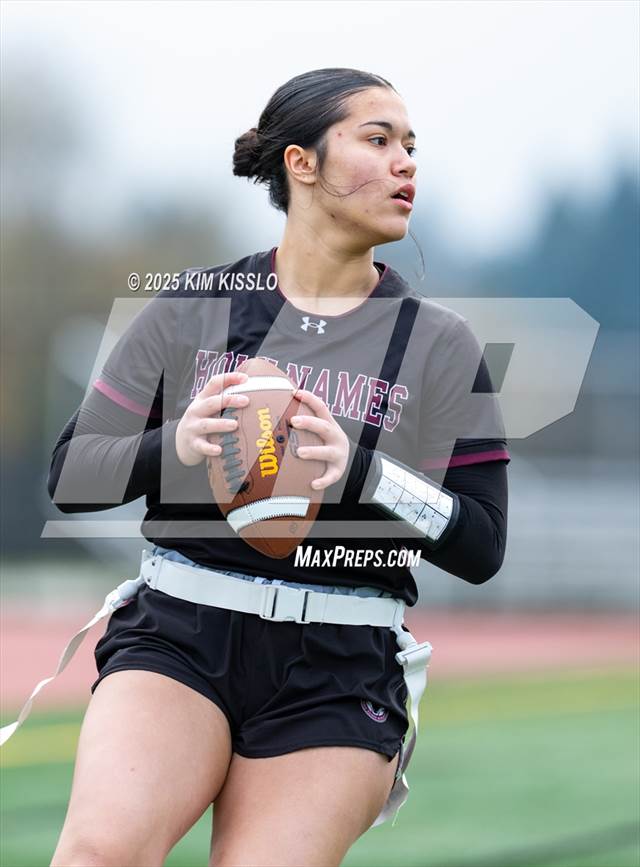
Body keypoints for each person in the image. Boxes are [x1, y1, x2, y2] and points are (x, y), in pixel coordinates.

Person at [46, 68, 510, 867]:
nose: (406, 163)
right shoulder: (194, 306)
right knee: (99, 852)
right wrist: (177, 445)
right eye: (377, 140)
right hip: (180, 637)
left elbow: (482, 544)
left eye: (410, 145)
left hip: (340, 667)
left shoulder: (440, 345)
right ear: (301, 163)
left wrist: (363, 474)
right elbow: (71, 472)